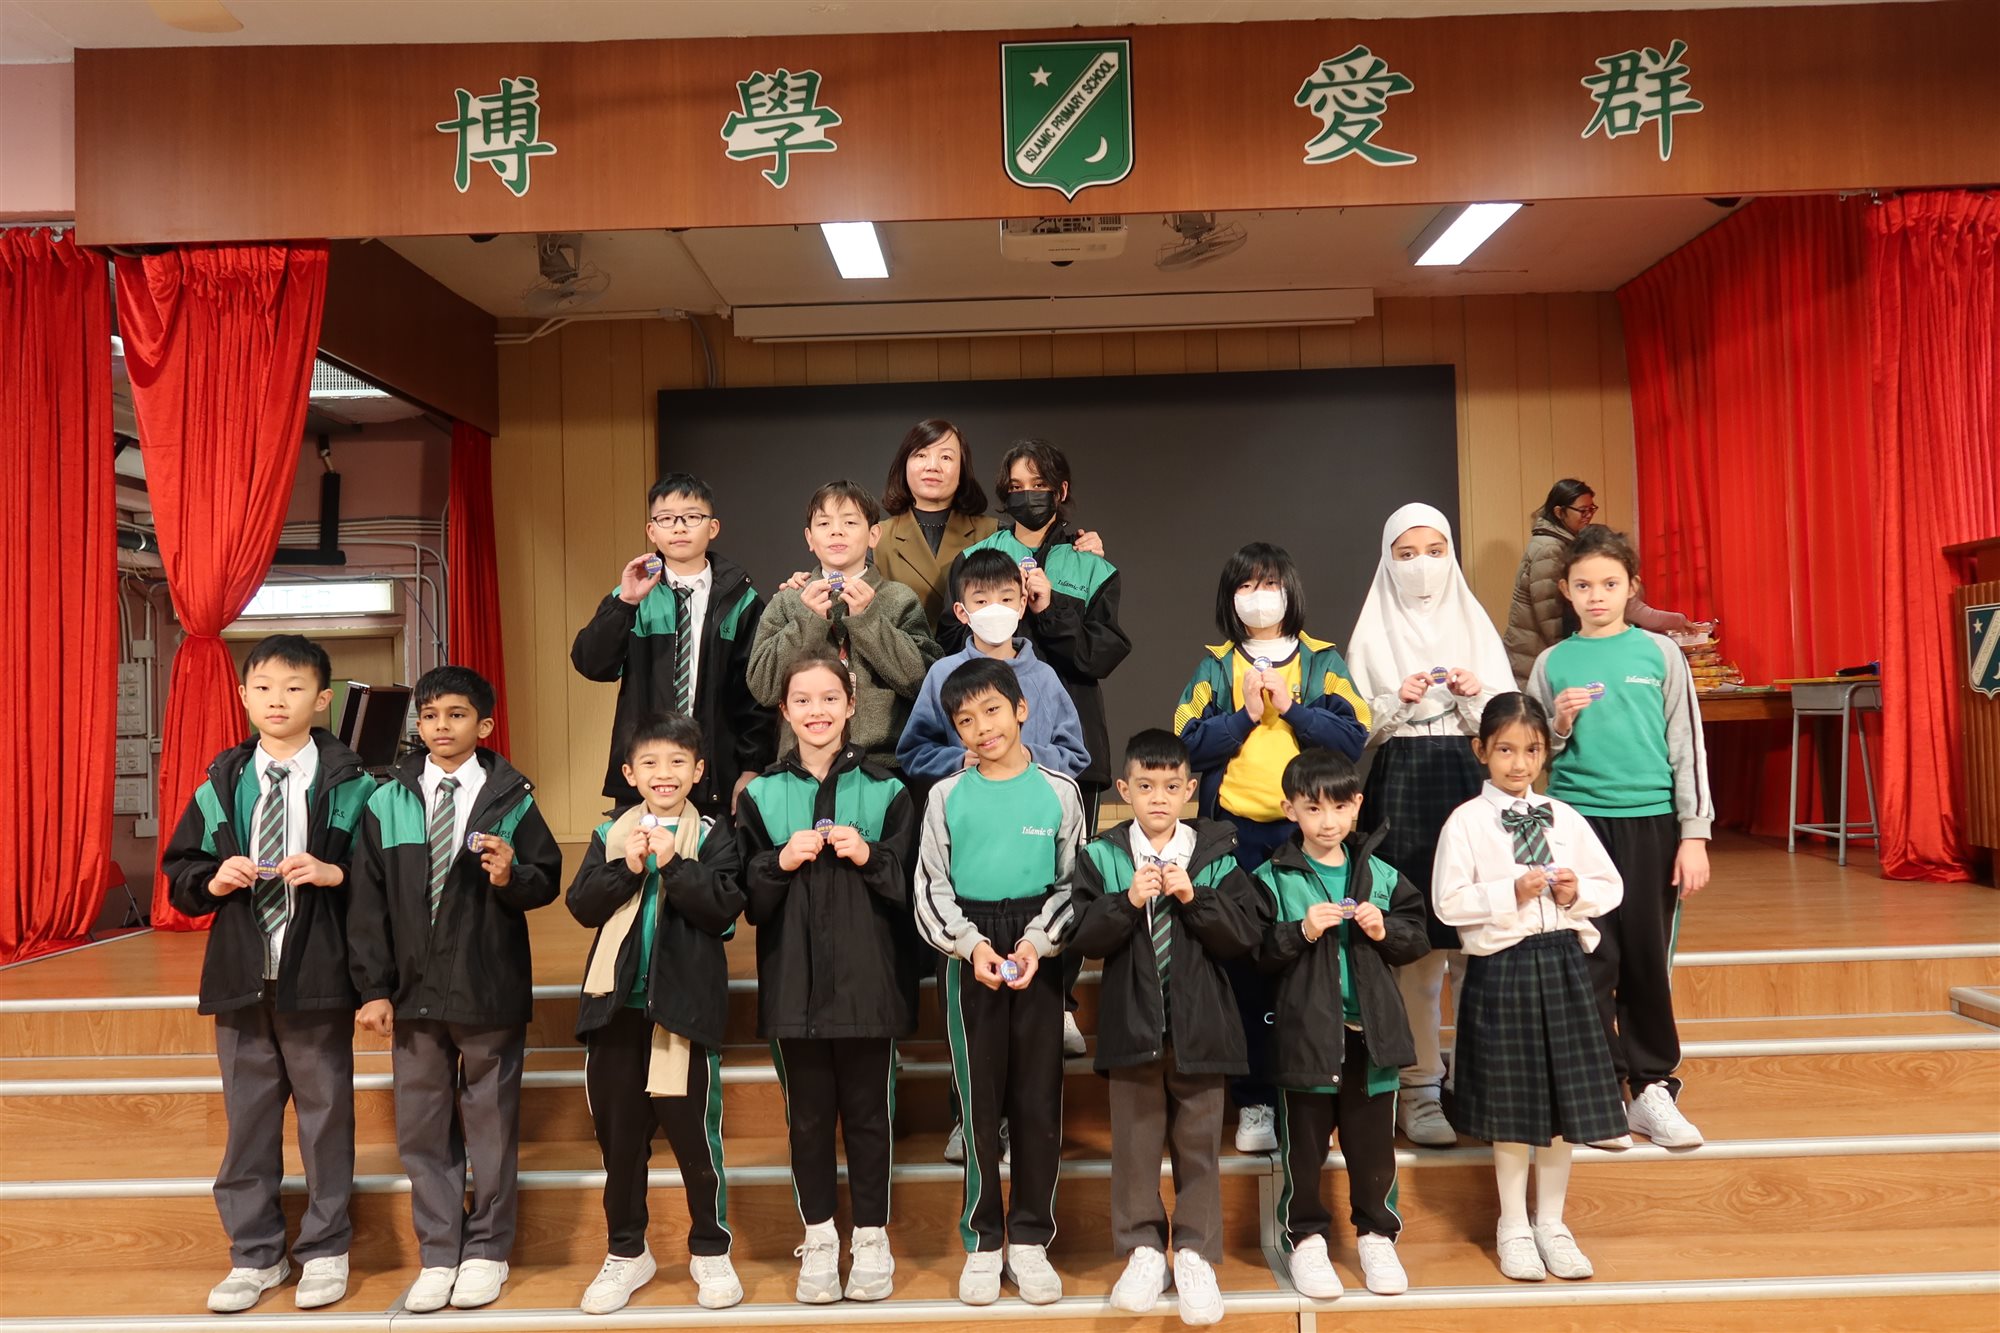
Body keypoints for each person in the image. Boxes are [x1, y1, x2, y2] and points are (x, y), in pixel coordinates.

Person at [162, 634, 376, 1315]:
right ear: (243, 696)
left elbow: (380, 879)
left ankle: (327, 1248)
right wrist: (212, 879)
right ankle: (255, 1254)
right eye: (262, 687)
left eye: (293, 687)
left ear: (323, 699)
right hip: (242, 977)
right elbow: (180, 873)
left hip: (318, 976)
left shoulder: (355, 786)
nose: (276, 699)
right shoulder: (221, 784)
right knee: (249, 1123)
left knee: (325, 1120)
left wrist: (335, 873)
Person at [347, 665, 564, 1312]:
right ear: (418, 723)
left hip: (486, 985)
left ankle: (488, 1250)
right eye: (430, 715)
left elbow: (546, 878)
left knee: (491, 1123)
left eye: (457, 714)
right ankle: (440, 1251)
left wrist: (511, 875)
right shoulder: (385, 799)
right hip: (411, 992)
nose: (441, 726)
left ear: (485, 725)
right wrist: (373, 988)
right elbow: (366, 904)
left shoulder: (512, 798)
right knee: (422, 1127)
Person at [1171, 542, 1369, 1154]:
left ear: (1290, 591)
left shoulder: (1322, 661)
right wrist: (1243, 717)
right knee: (1245, 964)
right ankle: (1255, 1100)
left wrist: (1291, 709)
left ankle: (1310, 1097)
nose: (1259, 598)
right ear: (1230, 598)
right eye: (1246, 587)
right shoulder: (1214, 666)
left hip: (1307, 837)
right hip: (1236, 837)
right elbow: (1184, 743)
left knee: (1310, 962)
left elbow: (1353, 737)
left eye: (1269, 585)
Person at [736, 655, 920, 1304]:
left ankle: (871, 1236)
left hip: (869, 986)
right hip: (795, 988)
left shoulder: (889, 789)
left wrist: (871, 855)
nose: (816, 710)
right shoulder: (760, 795)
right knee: (808, 1121)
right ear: (784, 710)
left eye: (829, 698)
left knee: (869, 1117)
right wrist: (778, 861)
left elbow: (910, 886)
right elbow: (748, 899)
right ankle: (818, 1237)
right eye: (802, 700)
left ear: (851, 706)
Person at [1526, 524, 1714, 1150]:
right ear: (1565, 590)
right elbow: (1530, 756)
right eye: (1583, 586)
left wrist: (1694, 834)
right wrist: (1558, 723)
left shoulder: (1659, 654)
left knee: (1644, 957)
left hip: (1652, 824)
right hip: (1577, 827)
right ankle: (1601, 1087)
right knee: (1588, 956)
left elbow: (1687, 745)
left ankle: (1653, 1085)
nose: (1597, 596)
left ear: (1631, 587)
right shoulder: (1553, 663)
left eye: (1609, 584)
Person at [1432, 692, 1629, 1282]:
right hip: (1504, 967)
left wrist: (1574, 892)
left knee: (1564, 1101)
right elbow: (1447, 903)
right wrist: (1509, 892)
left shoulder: (1564, 816)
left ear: (1546, 753)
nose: (1519, 764)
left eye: (1532, 750)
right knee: (1514, 1103)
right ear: (1481, 751)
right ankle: (1513, 1224)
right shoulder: (1466, 821)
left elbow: (1609, 885)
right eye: (1506, 750)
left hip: (1563, 961)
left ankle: (1553, 1223)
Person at [1070, 729, 1264, 1326]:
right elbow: (1085, 938)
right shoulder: (1103, 857)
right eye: (1146, 786)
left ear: (1190, 790)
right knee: (1134, 1147)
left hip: (1201, 1029)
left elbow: (1245, 935)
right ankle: (1144, 1252)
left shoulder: (1217, 856)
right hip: (1132, 1029)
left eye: (1171, 786)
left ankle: (1196, 1254)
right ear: (1123, 789)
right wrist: (1125, 902)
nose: (1159, 797)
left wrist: (1195, 897)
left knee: (1198, 1147)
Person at [912, 657, 1088, 1308]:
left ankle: (1032, 1239)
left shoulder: (1060, 792)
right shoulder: (945, 796)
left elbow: (1073, 884)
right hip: (972, 946)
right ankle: (984, 1241)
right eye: (965, 720)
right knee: (979, 1103)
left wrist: (1038, 943)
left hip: (1037, 943)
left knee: (1039, 1100)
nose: (982, 728)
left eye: (992, 711)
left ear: (1021, 709)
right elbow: (930, 886)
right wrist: (971, 945)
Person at [566, 716, 746, 1315]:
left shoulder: (715, 835)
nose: (663, 774)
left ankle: (710, 1248)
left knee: (695, 1141)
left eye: (677, 763)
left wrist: (673, 864)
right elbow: (582, 905)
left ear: (698, 771)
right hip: (615, 1012)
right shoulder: (608, 833)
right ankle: (626, 1251)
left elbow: (723, 910)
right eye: (649, 763)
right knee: (621, 1144)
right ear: (629, 774)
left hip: (682, 1012)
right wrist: (630, 866)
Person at [1344, 503, 1511, 1148]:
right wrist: (1396, 700)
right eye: (1407, 554)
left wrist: (1475, 696)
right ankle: (1418, 1085)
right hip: (1403, 784)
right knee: (1415, 945)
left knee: (1477, 937)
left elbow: (1508, 722)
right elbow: (1354, 729)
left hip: (1473, 782)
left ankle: (1477, 1078)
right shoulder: (1371, 631)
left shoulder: (1474, 622)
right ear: (1387, 560)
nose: (1421, 566)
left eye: (1435, 552)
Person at [1249, 748, 1429, 1301]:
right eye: (1313, 808)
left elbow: (1417, 936)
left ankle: (1377, 1236)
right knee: (1303, 1149)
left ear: (1357, 806)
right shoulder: (1271, 877)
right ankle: (1305, 1239)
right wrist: (1300, 931)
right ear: (1290, 810)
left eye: (1339, 807)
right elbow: (1254, 952)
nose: (1327, 821)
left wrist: (1385, 929)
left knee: (1373, 1149)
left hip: (1372, 1038)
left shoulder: (1380, 873)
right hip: (1305, 1039)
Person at [572, 472, 775, 814]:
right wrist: (625, 603)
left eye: (692, 517)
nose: (679, 528)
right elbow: (592, 664)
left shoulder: (741, 600)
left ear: (712, 527)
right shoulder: (633, 595)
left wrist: (752, 767)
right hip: (645, 773)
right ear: (652, 531)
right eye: (666, 519)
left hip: (714, 775)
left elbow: (755, 695)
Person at [747, 480, 941, 769]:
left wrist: (868, 620)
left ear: (874, 535)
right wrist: (807, 621)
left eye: (850, 522)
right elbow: (764, 688)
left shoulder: (899, 598)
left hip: (882, 765)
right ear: (810, 538)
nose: (836, 531)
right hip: (801, 765)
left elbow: (921, 682)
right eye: (824, 523)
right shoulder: (789, 600)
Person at [897, 547, 1090, 786]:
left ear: (1022, 605)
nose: (995, 609)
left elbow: (1074, 753)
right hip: (968, 800)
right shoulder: (943, 674)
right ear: (961, 612)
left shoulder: (1043, 676)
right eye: (981, 601)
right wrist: (958, 761)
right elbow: (914, 751)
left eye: (1006, 599)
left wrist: (1031, 756)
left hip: (1032, 802)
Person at [1504, 479, 1695, 687]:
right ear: (1559, 512)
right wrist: (1569, 655)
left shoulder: (1560, 542)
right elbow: (1550, 616)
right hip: (1537, 654)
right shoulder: (1550, 548)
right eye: (1582, 510)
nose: (1588, 515)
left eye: (1591, 509)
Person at [873, 419, 1001, 630]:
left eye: (946, 457)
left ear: (962, 470)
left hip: (974, 651)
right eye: (921, 455)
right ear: (904, 465)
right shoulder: (876, 538)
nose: (932, 466)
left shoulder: (994, 533)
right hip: (903, 651)